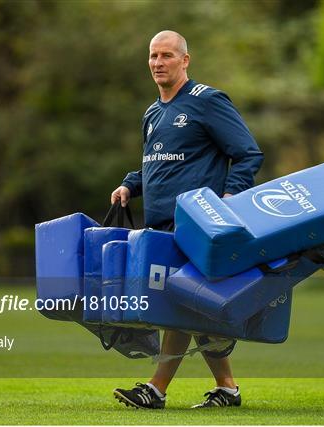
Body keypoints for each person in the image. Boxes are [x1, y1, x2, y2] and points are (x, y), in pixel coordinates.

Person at [111, 30, 263, 409]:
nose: (158, 63)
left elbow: (247, 153)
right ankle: (227, 388)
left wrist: (228, 198)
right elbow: (157, 162)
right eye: (153, 56)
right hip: (160, 227)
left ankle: (156, 389)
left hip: (195, 226)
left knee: (177, 306)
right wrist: (130, 185)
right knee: (186, 307)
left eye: (166, 56)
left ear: (185, 60)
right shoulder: (152, 113)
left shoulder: (206, 101)